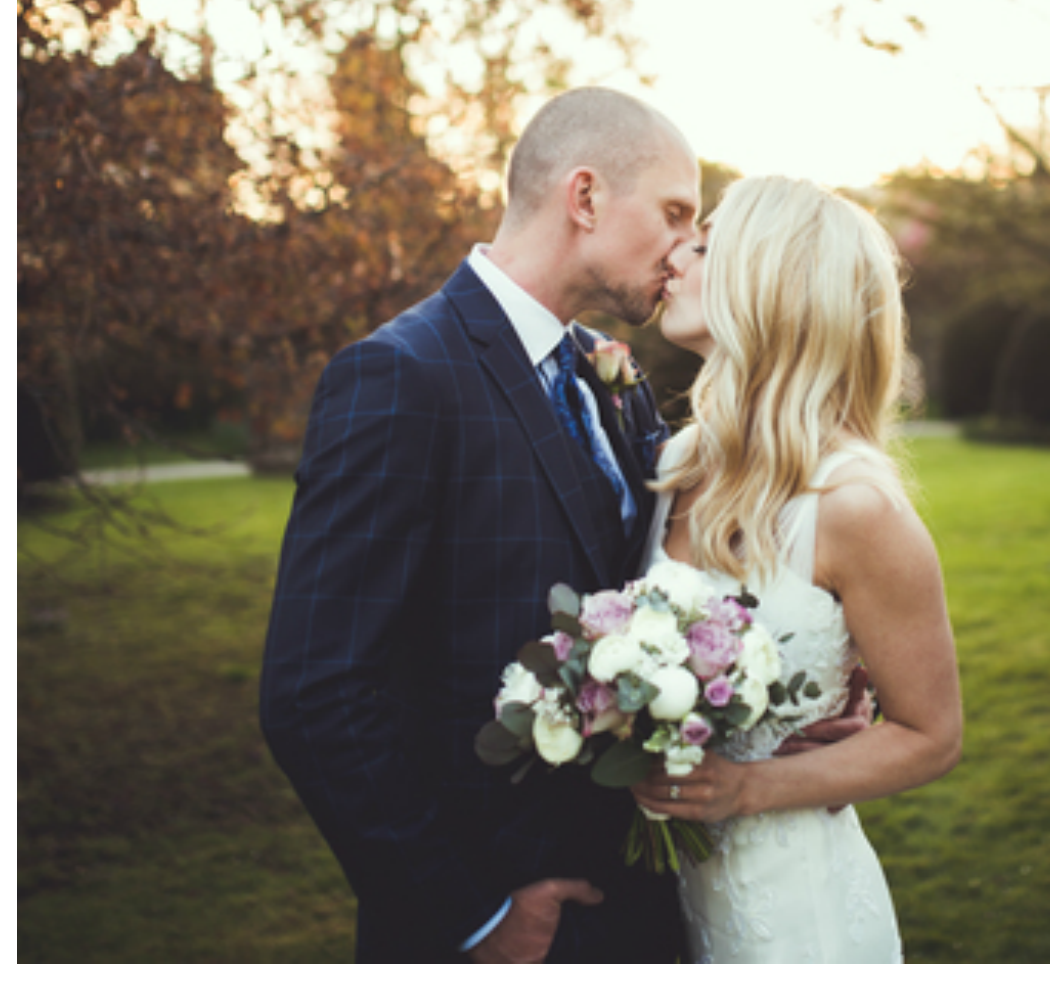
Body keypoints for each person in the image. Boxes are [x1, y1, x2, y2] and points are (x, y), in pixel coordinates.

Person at [260, 89, 867, 962]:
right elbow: (313, 694)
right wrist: (469, 919)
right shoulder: (401, 377)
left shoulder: (600, 375)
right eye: (672, 213)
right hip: (499, 914)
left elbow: (685, 581)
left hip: (639, 897)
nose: (688, 247)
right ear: (584, 198)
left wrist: (810, 692)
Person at [628, 175, 963, 964]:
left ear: (769, 282)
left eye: (703, 244)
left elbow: (932, 734)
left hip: (794, 913)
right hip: (663, 904)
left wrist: (747, 788)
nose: (674, 256)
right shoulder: (675, 461)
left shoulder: (853, 505)